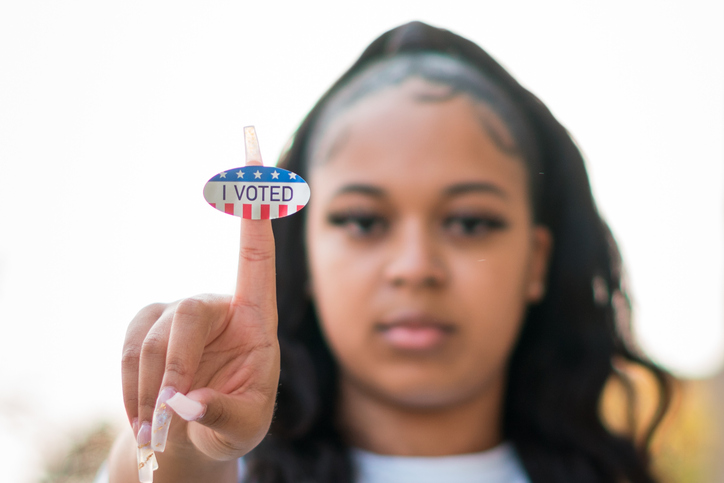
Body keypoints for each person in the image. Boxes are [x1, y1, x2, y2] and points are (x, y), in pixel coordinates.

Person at [102, 21, 672, 483]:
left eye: (471, 223)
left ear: (537, 261)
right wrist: (186, 450)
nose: (415, 267)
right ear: (307, 256)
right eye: (363, 221)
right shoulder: (221, 471)